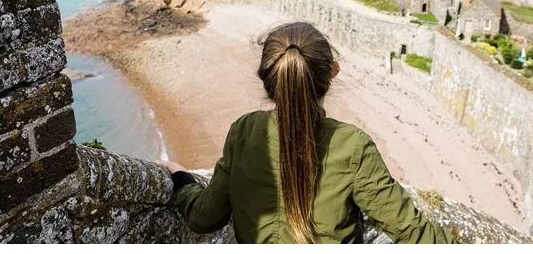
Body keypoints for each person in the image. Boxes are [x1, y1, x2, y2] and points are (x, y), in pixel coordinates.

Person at [161, 22, 452, 244]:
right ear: (332, 72)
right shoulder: (352, 146)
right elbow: (413, 232)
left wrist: (181, 180)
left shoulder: (244, 131)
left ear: (267, 78)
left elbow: (203, 217)